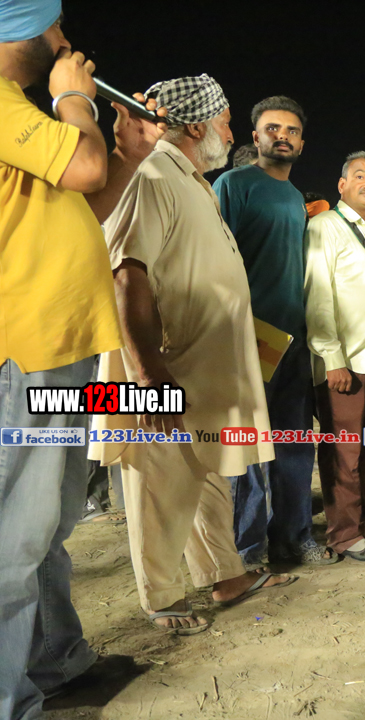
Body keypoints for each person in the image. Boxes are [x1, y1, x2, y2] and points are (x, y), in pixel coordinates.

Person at [0, 3, 167, 712]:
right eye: (55, 28)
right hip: (26, 354)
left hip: (65, 350)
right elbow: (85, 163)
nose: (67, 40)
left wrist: (129, 154)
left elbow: (83, 204)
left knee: (50, 523)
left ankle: (57, 663)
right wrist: (75, 96)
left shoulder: (22, 117)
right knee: (13, 539)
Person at [92, 74, 299, 639]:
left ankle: (226, 575)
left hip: (201, 367)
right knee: (158, 479)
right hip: (164, 366)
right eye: (227, 122)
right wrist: (147, 374)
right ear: (198, 125)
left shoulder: (191, 181)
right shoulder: (154, 175)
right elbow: (127, 274)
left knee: (205, 471)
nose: (231, 134)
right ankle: (160, 597)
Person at [213, 96, 335, 567]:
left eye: (291, 130)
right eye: (272, 128)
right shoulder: (233, 185)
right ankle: (247, 552)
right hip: (246, 337)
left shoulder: (294, 198)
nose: (282, 136)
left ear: (301, 143)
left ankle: (295, 537)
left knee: (295, 444)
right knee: (245, 449)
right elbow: (214, 261)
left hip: (292, 341)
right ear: (256, 136)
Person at [305, 151, 365, 563]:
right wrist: (332, 357)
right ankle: (343, 536)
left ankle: (363, 525)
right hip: (345, 363)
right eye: (360, 176)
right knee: (344, 454)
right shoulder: (325, 226)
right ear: (342, 185)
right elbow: (317, 294)